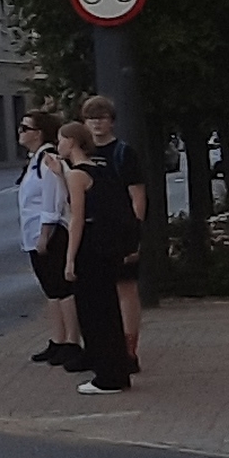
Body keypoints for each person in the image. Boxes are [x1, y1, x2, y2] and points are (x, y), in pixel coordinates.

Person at [62, 113, 139, 391]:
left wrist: (70, 258)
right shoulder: (99, 169)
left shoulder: (76, 175)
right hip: (106, 246)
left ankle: (108, 376)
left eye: (60, 140)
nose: (57, 146)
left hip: (89, 247)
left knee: (94, 312)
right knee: (108, 310)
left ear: (71, 143)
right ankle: (116, 369)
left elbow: (77, 218)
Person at [79, 92, 146, 379]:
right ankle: (103, 348)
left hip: (120, 232)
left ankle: (129, 349)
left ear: (111, 122)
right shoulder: (85, 155)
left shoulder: (122, 153)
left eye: (101, 118)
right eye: (90, 118)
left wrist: (134, 234)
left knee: (126, 288)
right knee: (101, 294)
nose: (96, 124)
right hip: (95, 236)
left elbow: (137, 197)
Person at [16, 111, 75, 363]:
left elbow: (53, 199)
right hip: (34, 233)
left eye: (24, 127)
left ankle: (72, 341)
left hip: (50, 234)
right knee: (51, 290)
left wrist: (44, 234)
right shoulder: (35, 160)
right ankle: (58, 340)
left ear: (38, 133)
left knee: (62, 289)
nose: (20, 132)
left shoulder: (48, 160)